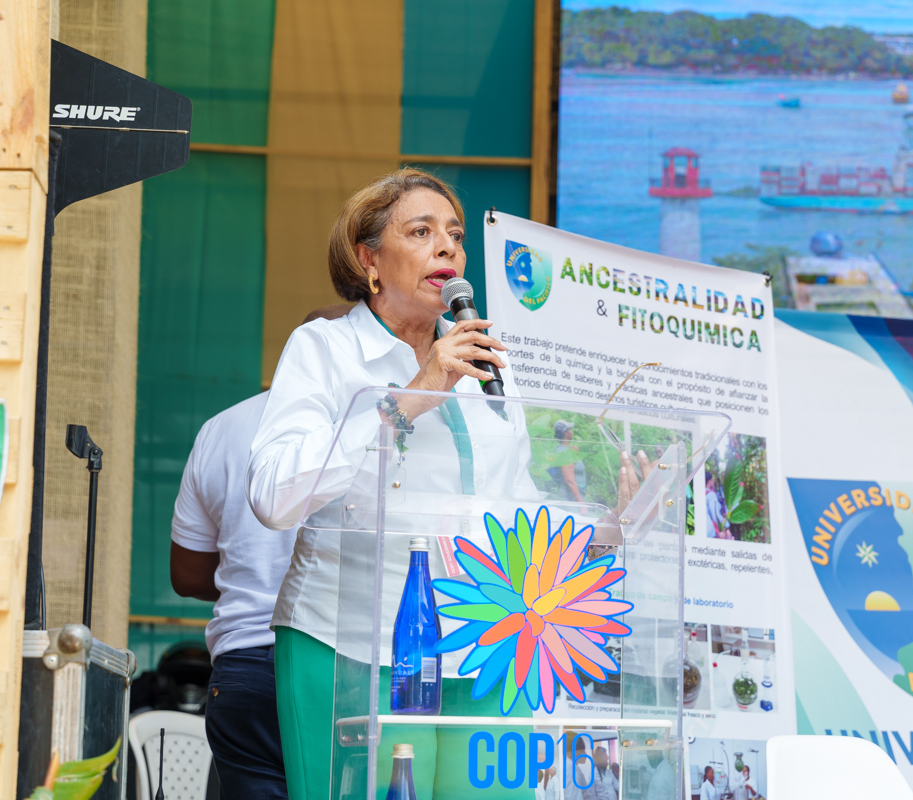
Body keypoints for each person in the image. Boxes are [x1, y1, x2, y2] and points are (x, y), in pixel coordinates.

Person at [247, 169, 649, 800]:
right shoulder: (325, 350)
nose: (448, 249)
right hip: (354, 645)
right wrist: (415, 395)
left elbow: (513, 508)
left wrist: (608, 523)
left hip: (484, 645)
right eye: (422, 231)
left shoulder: (489, 368)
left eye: (456, 236)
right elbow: (273, 494)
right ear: (368, 258)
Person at [168, 306, 350, 798]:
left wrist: (250, 571)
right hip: (341, 663)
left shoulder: (220, 428)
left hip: (244, 664)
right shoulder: (373, 423)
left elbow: (186, 573)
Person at [548, 420, 586, 502]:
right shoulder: (564, 452)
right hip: (572, 497)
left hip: (574, 496)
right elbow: (569, 481)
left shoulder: (564, 450)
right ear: (566, 433)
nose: (571, 432)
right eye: (570, 430)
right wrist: (581, 504)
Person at [705, 472, 731, 539]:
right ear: (709, 481)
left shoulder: (702, 493)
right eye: (712, 480)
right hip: (711, 530)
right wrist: (726, 526)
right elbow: (715, 515)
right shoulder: (711, 495)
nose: (713, 481)